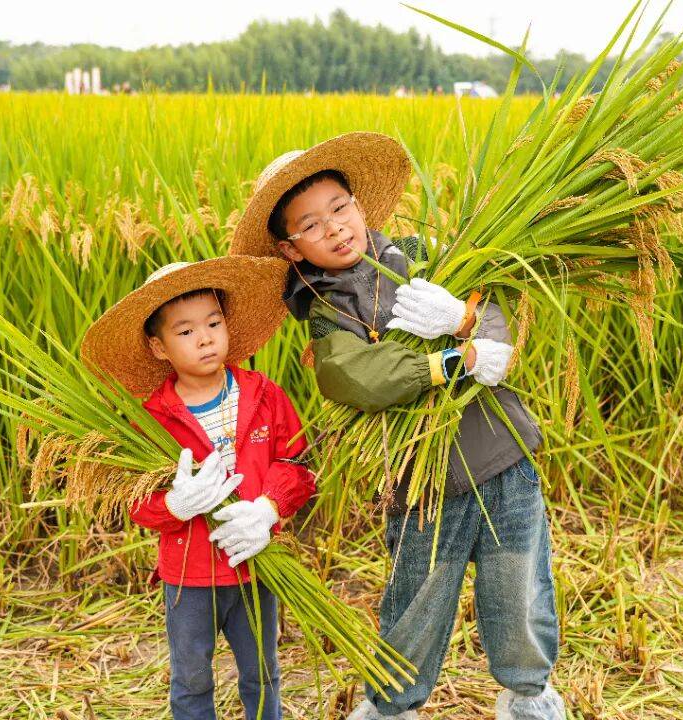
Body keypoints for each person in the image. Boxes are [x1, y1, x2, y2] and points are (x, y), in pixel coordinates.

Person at [229, 132, 566, 720]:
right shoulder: (328, 308)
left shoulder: (428, 257)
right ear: (290, 249)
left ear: (360, 206)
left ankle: (529, 695)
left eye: (340, 208)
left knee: (520, 588)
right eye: (311, 225)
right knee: (416, 603)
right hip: (420, 484)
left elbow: (497, 308)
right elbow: (353, 375)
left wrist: (464, 317)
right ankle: (393, 706)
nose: (335, 228)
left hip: (502, 454)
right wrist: (450, 362)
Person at [80, 255, 315, 720]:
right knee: (191, 678)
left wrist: (268, 508)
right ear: (159, 347)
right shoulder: (151, 420)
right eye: (185, 331)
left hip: (255, 566)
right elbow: (135, 500)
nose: (205, 338)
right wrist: (174, 504)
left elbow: (297, 463)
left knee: (263, 672)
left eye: (213, 322)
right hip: (188, 576)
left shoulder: (263, 394)